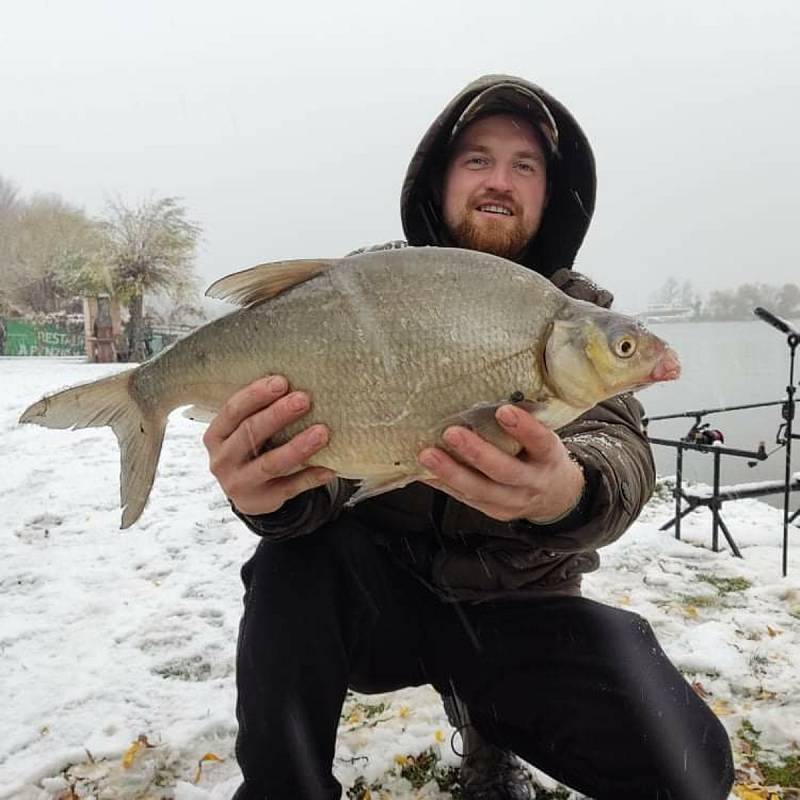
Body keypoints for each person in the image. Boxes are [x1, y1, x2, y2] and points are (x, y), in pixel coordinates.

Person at [204, 75, 734, 800]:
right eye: (477, 158)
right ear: (439, 178)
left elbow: (621, 449)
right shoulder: (371, 286)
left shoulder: (578, 316)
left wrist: (565, 490)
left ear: (552, 192)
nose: (500, 180)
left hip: (517, 607)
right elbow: (322, 479)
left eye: (525, 165)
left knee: (692, 775)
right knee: (289, 561)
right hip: (376, 599)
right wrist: (268, 493)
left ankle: (491, 724)